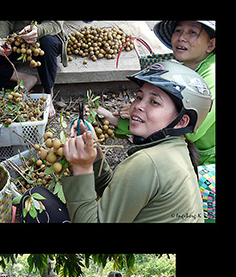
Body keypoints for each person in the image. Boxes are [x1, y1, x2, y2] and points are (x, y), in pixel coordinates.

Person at [62, 60, 212, 222]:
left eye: (154, 102)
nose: (138, 105)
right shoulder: (177, 149)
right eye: (139, 97)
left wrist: (82, 168)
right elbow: (123, 195)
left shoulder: (149, 162)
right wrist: (96, 155)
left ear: (181, 121)